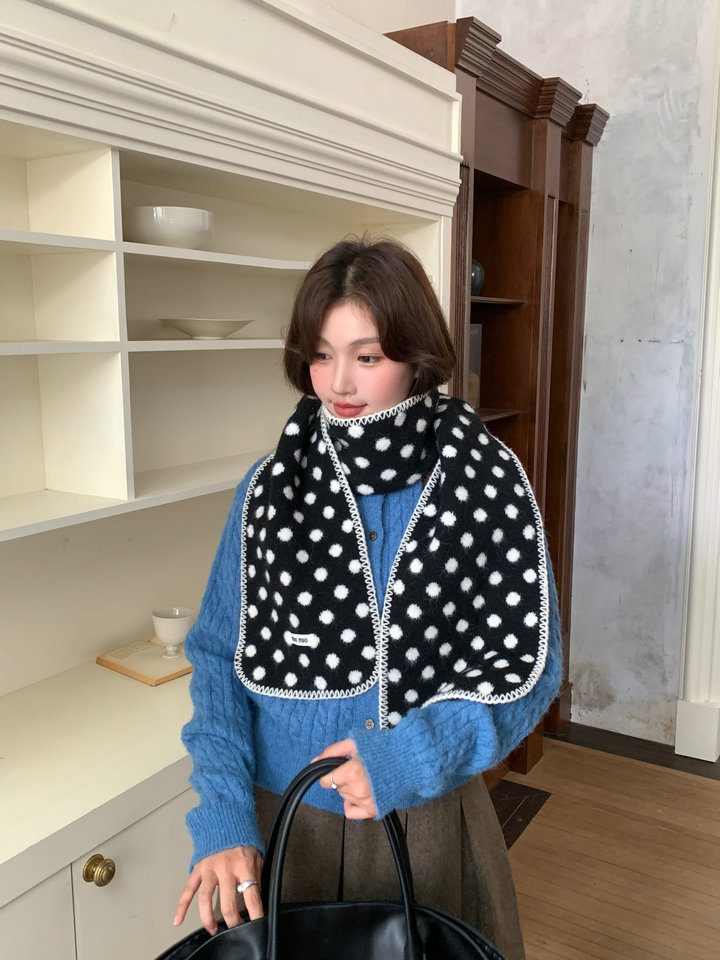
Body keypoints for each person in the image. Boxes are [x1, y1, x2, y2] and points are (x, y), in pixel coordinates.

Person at [174, 237, 562, 960]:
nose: (339, 383)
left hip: (426, 815)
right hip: (283, 822)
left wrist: (413, 757)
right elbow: (219, 658)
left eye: (369, 356)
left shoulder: (486, 483)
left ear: (417, 357)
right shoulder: (268, 491)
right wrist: (224, 815)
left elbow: (530, 670)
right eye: (321, 355)